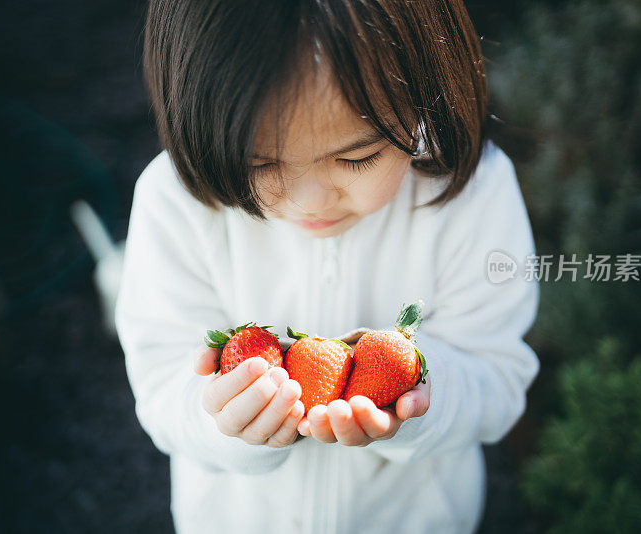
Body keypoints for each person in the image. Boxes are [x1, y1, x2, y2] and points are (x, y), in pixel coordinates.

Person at [115, 1, 539, 533]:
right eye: (260, 164)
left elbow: (497, 379)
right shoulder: (174, 205)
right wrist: (224, 423)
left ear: (428, 89)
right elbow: (160, 387)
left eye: (357, 157)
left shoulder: (473, 197)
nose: (311, 200)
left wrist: (413, 404)